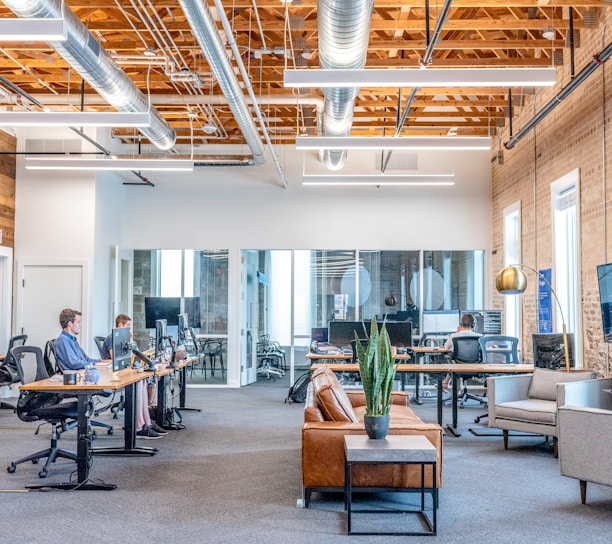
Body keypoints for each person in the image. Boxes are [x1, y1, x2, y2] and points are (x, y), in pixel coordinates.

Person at [101, 314, 167, 439]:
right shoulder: (112, 338)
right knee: (138, 382)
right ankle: (139, 425)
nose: (130, 329)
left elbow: (130, 357)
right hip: (114, 374)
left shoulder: (125, 339)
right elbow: (116, 357)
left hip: (124, 370)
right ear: (120, 325)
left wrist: (131, 344)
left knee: (147, 378)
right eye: (128, 326)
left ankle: (147, 420)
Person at [441, 313, 482, 391]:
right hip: (475, 366)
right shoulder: (480, 337)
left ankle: (454, 391)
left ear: (461, 324)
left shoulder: (454, 336)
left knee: (452, 361)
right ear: (473, 325)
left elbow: (446, 348)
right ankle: (447, 382)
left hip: (458, 366)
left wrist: (457, 333)